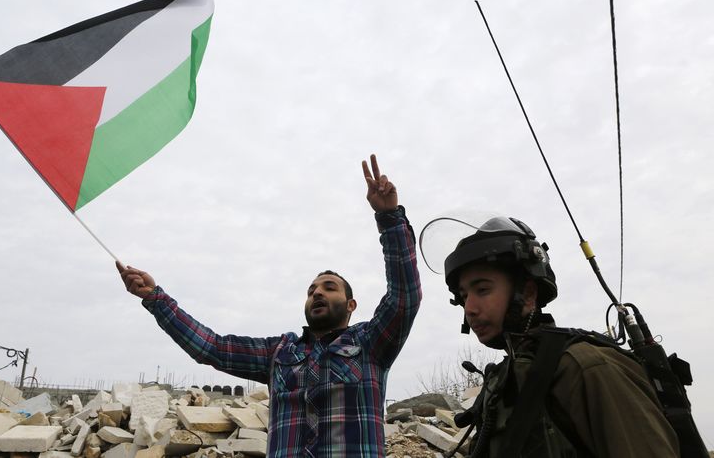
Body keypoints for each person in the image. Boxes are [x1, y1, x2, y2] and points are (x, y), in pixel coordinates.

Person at [117, 154, 421, 457]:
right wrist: (155, 298)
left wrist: (390, 219)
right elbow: (211, 347)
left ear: (351, 304)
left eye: (329, 288)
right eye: (311, 290)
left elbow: (404, 297)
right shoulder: (280, 353)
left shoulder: (370, 344)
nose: (317, 294)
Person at [439, 216, 680, 457]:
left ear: (529, 293)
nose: (469, 308)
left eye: (482, 290)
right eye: (463, 296)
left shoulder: (586, 366)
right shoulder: (504, 378)